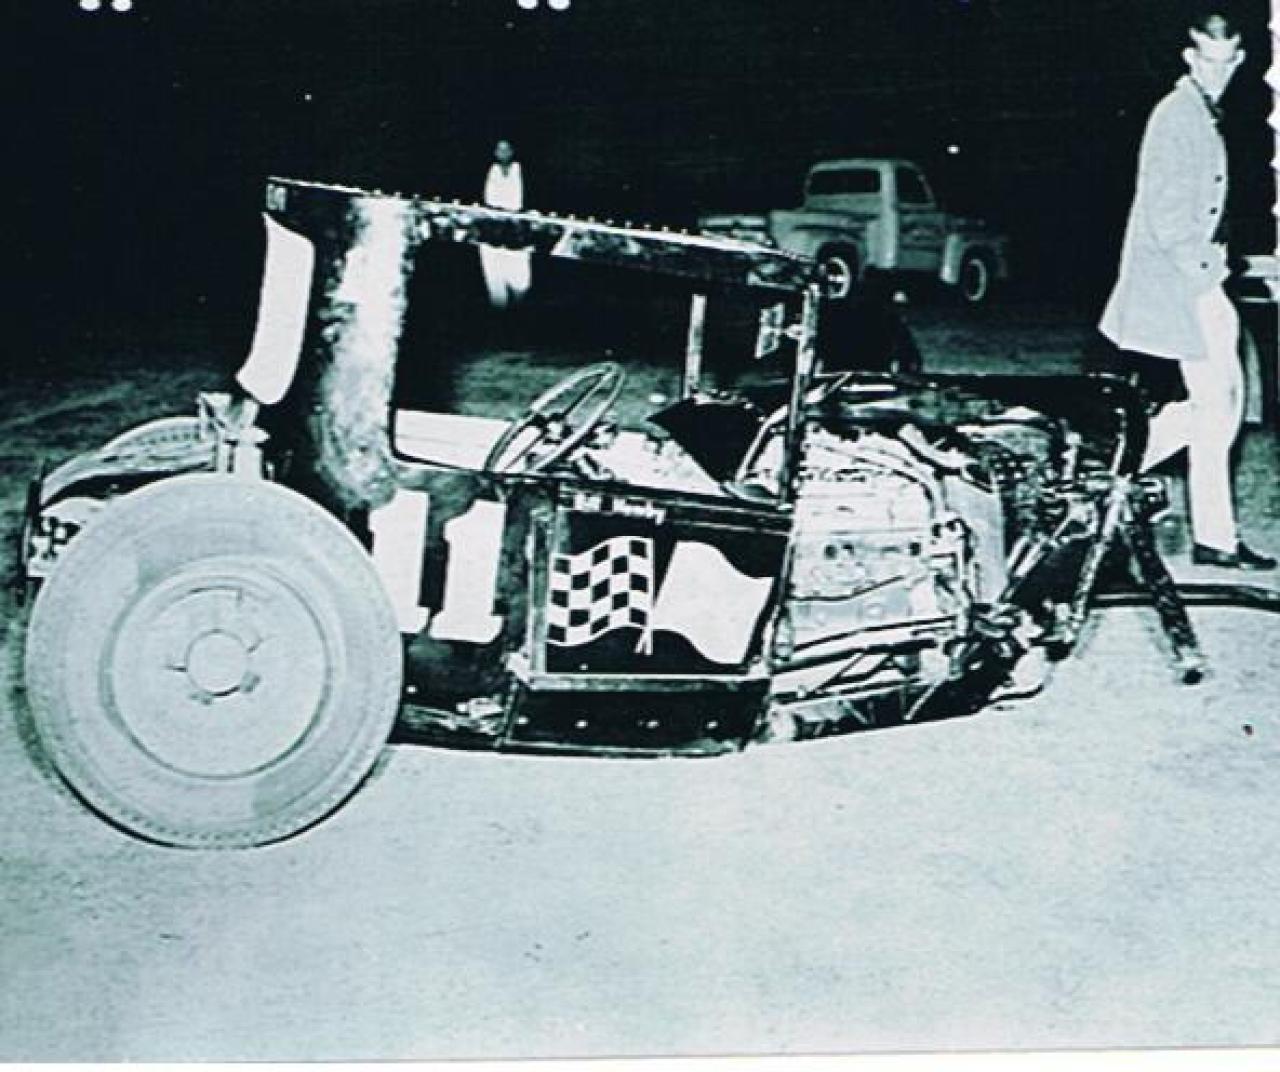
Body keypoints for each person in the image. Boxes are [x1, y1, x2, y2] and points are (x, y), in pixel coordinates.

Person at [1099, 6, 1274, 570]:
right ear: (1189, 56)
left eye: (1226, 63)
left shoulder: (1201, 112)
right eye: (1207, 60)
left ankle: (1121, 479)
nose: (1216, 72)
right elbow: (1169, 218)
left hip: (1199, 276)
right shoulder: (1176, 115)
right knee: (1217, 404)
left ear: (1240, 60)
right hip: (1185, 283)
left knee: (1218, 406)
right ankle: (1108, 478)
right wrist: (1206, 278)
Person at [479, 138, 533, 310]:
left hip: (517, 235)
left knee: (521, 284)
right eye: (499, 149)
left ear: (513, 151)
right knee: (496, 289)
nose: (503, 153)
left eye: (506, 149)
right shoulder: (491, 170)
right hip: (492, 234)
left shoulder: (521, 170)